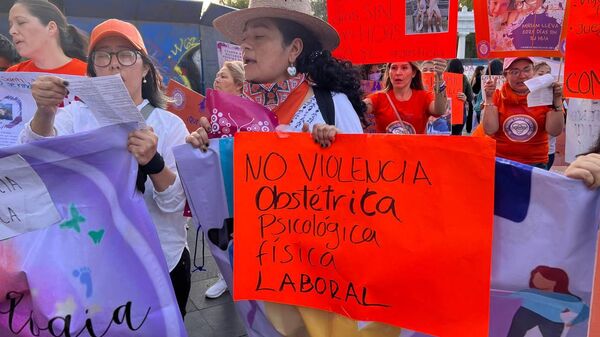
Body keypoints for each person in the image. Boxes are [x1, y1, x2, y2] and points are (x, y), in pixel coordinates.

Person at [187, 0, 385, 335]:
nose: (245, 46)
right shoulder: (233, 114)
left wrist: (336, 152)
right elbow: (221, 201)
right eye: (244, 39)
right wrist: (205, 153)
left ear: (293, 49)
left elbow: (366, 194)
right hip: (263, 278)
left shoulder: (331, 105)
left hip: (326, 278)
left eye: (259, 37)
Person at [18, 19, 191, 319]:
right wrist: (44, 114)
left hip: (160, 264)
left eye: (126, 55)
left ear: (145, 68)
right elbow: (35, 160)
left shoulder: (170, 126)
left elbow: (175, 204)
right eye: (103, 56)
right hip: (92, 266)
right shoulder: (73, 117)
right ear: (93, 69)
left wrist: (154, 163)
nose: (114, 65)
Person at [204, 60, 244, 300]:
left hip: (243, 182)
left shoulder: (253, 113)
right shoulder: (210, 112)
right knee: (221, 227)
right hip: (218, 181)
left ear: (239, 85)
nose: (217, 80)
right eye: (217, 76)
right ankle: (225, 277)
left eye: (223, 76)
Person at [482, 57, 564, 168]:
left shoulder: (546, 95)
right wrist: (489, 98)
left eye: (526, 70)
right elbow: (490, 129)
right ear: (505, 75)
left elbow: (555, 131)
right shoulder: (497, 96)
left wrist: (557, 100)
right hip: (502, 163)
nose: (522, 76)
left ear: (533, 72)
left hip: (536, 164)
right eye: (515, 72)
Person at [363, 60, 447, 134]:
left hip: (415, 151)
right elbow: (361, 106)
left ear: (413, 73)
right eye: (394, 68)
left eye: (404, 68)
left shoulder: (424, 97)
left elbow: (439, 110)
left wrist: (439, 78)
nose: (398, 73)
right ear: (389, 72)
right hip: (385, 151)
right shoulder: (378, 98)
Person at [7, 0, 87, 75]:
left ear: (51, 28)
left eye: (21, 22)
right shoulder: (12, 75)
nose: (12, 31)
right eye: (10, 25)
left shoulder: (88, 75)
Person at [507, 265, 589, 337]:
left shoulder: (568, 298)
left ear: (554, 281)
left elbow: (584, 310)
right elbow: (507, 300)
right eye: (535, 277)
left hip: (552, 320)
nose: (536, 280)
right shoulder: (527, 292)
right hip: (527, 315)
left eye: (541, 278)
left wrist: (574, 321)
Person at [533, 61, 558, 169]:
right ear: (532, 77)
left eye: (548, 74)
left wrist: (557, 101)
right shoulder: (526, 96)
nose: (544, 78)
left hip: (548, 152)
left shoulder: (555, 97)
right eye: (540, 74)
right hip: (530, 153)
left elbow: (557, 128)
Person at [446, 58, 474, 134]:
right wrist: (465, 98)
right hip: (459, 111)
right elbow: (470, 97)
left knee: (444, 136)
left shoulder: (443, 77)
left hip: (445, 111)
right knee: (457, 137)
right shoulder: (463, 78)